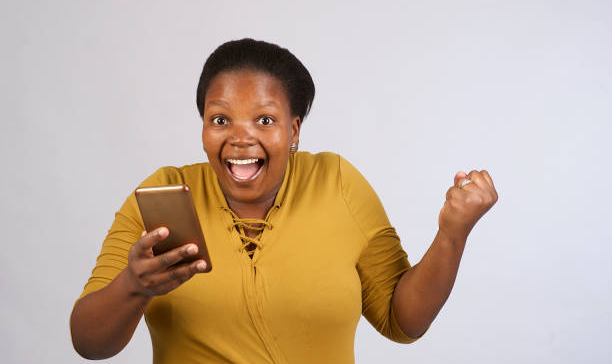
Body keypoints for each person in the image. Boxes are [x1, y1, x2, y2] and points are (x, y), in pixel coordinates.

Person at [70, 38, 498, 363]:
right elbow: (89, 342)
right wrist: (134, 286)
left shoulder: (337, 184)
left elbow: (403, 321)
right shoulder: (161, 197)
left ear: (293, 131)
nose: (240, 136)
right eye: (220, 119)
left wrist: (452, 235)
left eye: (264, 119)